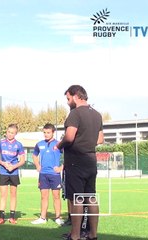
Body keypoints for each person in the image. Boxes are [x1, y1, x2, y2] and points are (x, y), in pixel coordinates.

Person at [56, 85, 104, 240]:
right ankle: (92, 234)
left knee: (76, 197)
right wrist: (87, 143)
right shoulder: (97, 114)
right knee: (91, 197)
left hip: (76, 161)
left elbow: (69, 137)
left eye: (68, 98)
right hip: (91, 160)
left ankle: (75, 235)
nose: (68, 102)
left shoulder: (75, 114)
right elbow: (100, 139)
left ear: (76, 96)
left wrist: (59, 145)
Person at [0, 123, 25, 225]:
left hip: (14, 173)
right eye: (8, 132)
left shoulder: (19, 145)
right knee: (3, 195)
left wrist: (13, 167)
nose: (10, 134)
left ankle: (12, 217)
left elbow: (22, 160)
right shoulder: (1, 143)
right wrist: (3, 163)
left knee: (13, 195)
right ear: (6, 132)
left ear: (16, 133)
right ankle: (1, 217)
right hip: (3, 172)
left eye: (12, 133)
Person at [31, 123, 64, 225]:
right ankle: (42, 218)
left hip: (55, 175)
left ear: (53, 133)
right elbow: (34, 155)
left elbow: (68, 156)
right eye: (44, 132)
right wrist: (37, 165)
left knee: (56, 196)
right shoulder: (39, 144)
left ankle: (58, 217)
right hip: (43, 175)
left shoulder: (59, 144)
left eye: (48, 132)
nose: (46, 134)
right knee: (44, 196)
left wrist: (61, 168)